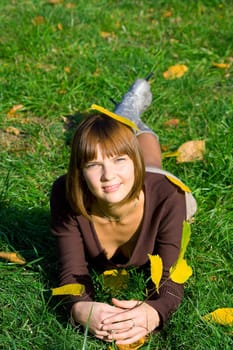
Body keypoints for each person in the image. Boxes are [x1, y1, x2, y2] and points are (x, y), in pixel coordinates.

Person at [50, 78, 196, 346]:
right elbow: (71, 270)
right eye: (93, 165)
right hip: (135, 175)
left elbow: (171, 275)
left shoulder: (168, 197)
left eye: (119, 160)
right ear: (80, 173)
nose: (108, 176)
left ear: (133, 162)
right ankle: (122, 122)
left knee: (148, 151)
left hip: (153, 181)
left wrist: (153, 313)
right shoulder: (65, 193)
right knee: (118, 146)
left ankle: (129, 111)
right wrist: (81, 308)